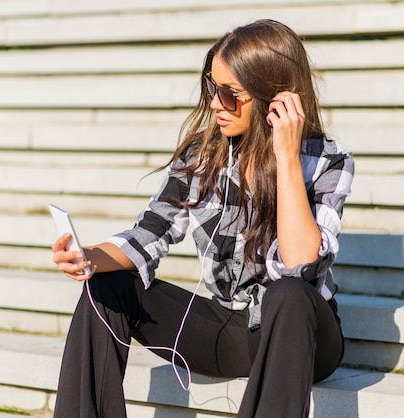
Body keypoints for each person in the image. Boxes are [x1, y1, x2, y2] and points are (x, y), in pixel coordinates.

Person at [51, 19, 354, 418]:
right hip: (228, 327)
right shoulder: (203, 155)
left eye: (231, 94)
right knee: (105, 287)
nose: (215, 103)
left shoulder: (326, 161)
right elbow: (150, 233)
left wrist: (286, 158)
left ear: (274, 97)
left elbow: (299, 265)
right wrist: (89, 257)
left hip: (303, 339)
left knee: (290, 295)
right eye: (213, 87)